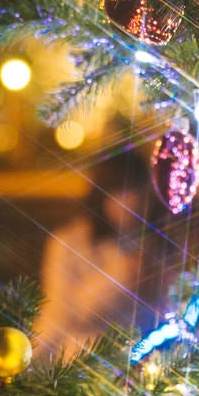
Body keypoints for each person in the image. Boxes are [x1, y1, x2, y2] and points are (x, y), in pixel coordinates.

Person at [34, 147, 163, 360]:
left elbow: (154, 317)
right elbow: (64, 313)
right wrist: (122, 274)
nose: (133, 203)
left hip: (139, 366)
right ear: (103, 194)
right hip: (80, 363)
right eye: (122, 193)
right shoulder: (70, 243)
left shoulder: (151, 245)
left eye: (139, 193)